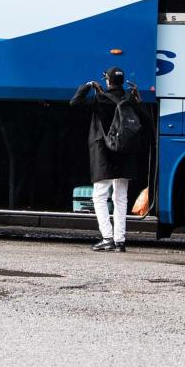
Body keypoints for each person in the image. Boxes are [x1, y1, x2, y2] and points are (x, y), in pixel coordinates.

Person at [71, 67, 146, 253]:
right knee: (121, 198)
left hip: (103, 154)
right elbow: (144, 120)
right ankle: (120, 241)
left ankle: (107, 238)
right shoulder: (129, 99)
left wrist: (88, 86)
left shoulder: (100, 99)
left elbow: (75, 102)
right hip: (125, 153)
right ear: (122, 82)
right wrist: (138, 98)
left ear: (107, 81)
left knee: (100, 195)